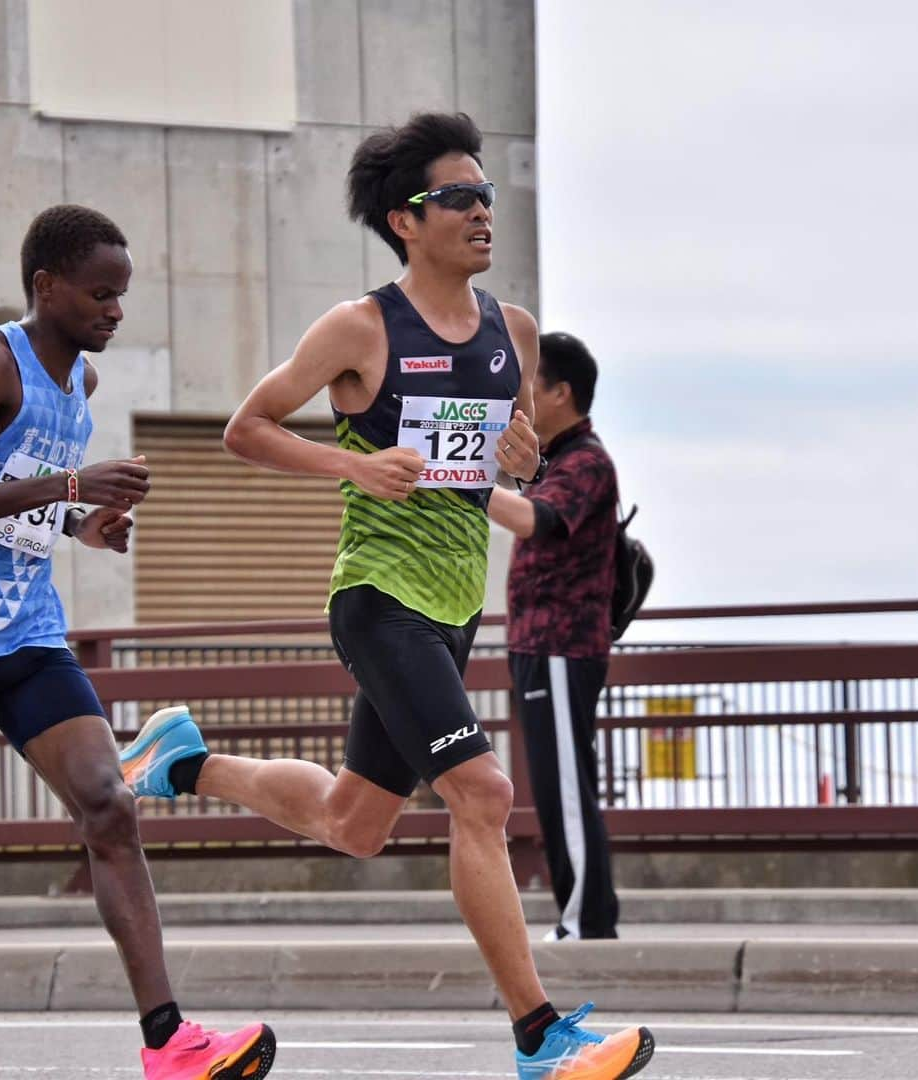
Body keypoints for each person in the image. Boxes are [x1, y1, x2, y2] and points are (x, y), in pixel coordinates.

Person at [119, 114, 654, 1080]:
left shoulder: (512, 332)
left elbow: (508, 463)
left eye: (487, 192)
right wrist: (350, 468)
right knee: (481, 794)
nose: (483, 209)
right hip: (378, 597)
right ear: (407, 221)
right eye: (459, 196)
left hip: (453, 609)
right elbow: (248, 428)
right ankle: (541, 1038)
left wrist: (521, 457)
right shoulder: (360, 328)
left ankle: (184, 763)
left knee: (354, 824)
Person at [0, 205, 275, 1080]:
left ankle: (170, 1041)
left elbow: (22, 496)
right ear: (46, 287)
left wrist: (83, 524)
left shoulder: (79, 383)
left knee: (109, 807)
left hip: (26, 630)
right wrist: (72, 483)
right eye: (100, 293)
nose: (116, 311)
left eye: (122, 295)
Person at [487, 331, 621, 942]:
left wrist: (457, 476)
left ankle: (587, 922)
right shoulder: (558, 461)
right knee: (553, 784)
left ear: (561, 391)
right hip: (542, 649)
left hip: (564, 647)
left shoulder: (586, 462)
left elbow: (535, 519)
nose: (523, 397)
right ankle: (581, 917)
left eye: (533, 385)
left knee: (566, 787)